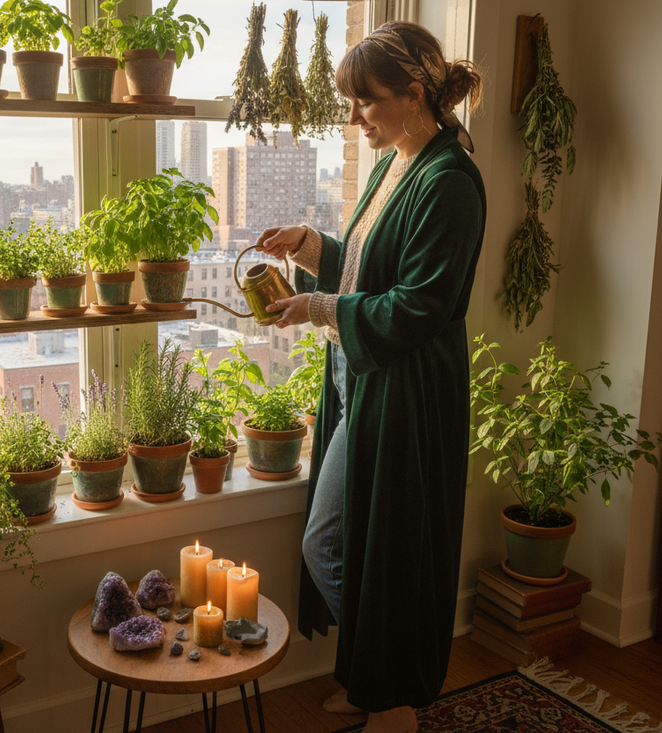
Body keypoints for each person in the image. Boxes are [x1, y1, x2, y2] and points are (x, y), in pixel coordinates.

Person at [256, 21, 486, 733]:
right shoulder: (396, 163)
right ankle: (373, 680)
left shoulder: (450, 180)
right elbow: (368, 268)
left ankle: (392, 699)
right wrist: (310, 246)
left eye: (366, 101)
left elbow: (419, 305)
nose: (355, 118)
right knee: (352, 543)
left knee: (360, 546)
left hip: (408, 393)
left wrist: (317, 307)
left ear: (414, 94)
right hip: (364, 385)